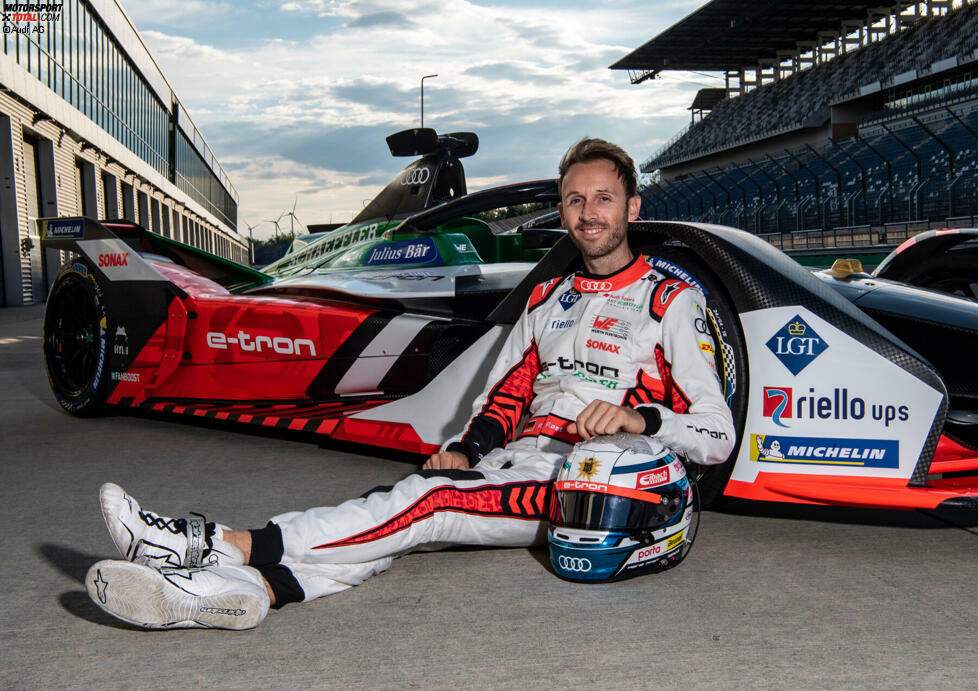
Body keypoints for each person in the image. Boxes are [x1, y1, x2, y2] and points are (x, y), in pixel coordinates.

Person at [86, 138, 736, 630]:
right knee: (405, 514)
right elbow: (503, 394)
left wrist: (640, 419)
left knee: (422, 503)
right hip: (515, 461)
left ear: (632, 205)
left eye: (603, 198)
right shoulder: (548, 298)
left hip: (580, 485)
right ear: (563, 209)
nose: (589, 213)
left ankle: (216, 541)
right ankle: (245, 589)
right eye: (575, 198)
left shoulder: (670, 301)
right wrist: (468, 449)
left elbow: (715, 434)